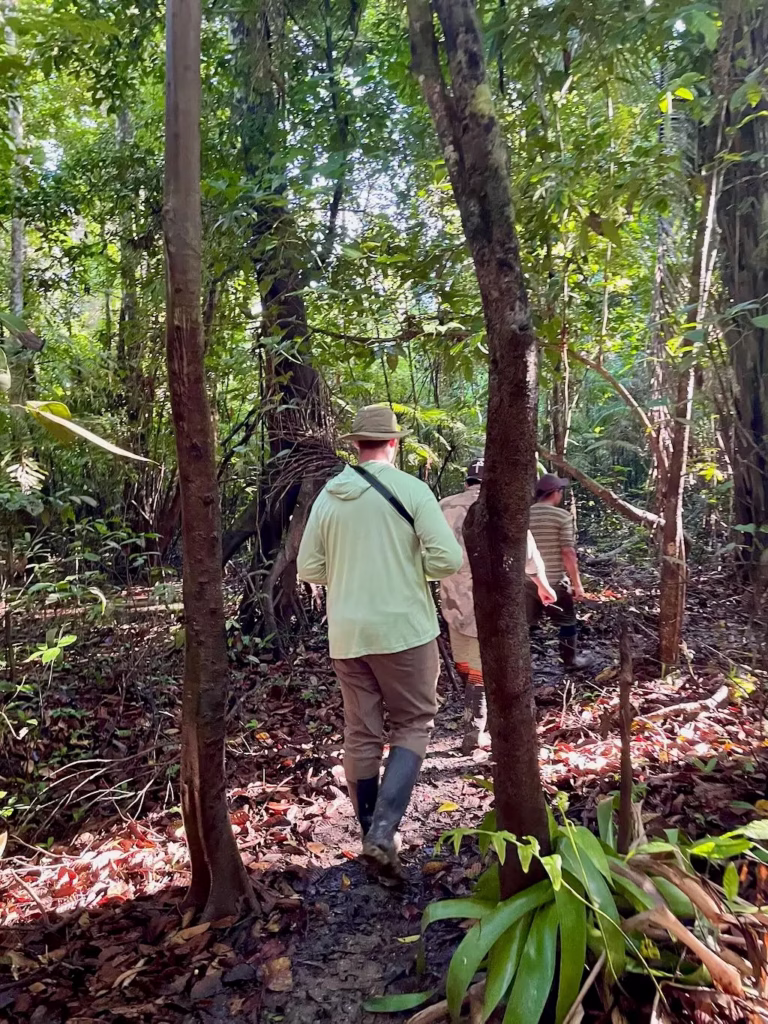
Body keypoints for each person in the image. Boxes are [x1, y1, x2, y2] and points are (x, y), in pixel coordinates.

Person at [297, 405, 463, 871]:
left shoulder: (329, 496)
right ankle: (384, 831)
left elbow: (309, 568)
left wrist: (350, 575)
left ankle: (370, 830)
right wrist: (411, 569)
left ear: (356, 445)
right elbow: (447, 560)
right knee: (413, 723)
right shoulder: (412, 490)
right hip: (405, 629)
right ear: (394, 443)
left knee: (361, 733)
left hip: (348, 633)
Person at [439, 457, 557, 754]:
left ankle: (474, 725)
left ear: (467, 481)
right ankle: (479, 729)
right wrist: (544, 587)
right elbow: (529, 554)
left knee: (469, 665)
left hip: (456, 602)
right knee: (493, 668)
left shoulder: (444, 507)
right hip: (499, 601)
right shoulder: (503, 507)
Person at [527, 473, 590, 669]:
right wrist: (577, 585)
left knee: (525, 625)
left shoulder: (524, 515)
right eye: (561, 491)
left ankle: (521, 667)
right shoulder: (562, 516)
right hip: (554, 582)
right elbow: (568, 552)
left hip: (526, 580)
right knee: (567, 621)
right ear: (555, 493)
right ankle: (570, 661)